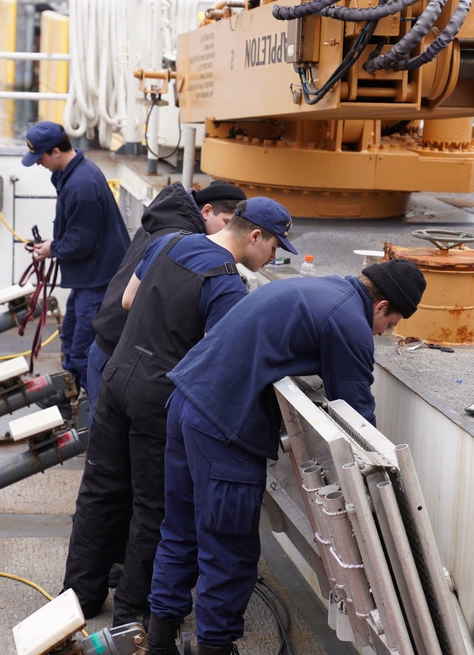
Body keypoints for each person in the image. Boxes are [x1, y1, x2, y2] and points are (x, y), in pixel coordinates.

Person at [146, 258, 427, 655]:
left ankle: (158, 638)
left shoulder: (321, 288)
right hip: (223, 429)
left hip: (185, 402)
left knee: (180, 527)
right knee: (229, 549)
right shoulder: (349, 321)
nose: (385, 333)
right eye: (391, 324)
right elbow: (357, 416)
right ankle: (214, 647)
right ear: (380, 307)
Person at [63, 197, 298, 628]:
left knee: (100, 490)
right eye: (275, 247)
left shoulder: (170, 242)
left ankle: (78, 598)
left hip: (117, 376)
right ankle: (134, 612)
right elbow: (220, 355)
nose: (275, 256)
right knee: (153, 507)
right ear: (255, 236)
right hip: (157, 393)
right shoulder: (226, 283)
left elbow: (131, 301)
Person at [85, 180, 247, 414]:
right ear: (207, 210)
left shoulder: (166, 222)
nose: (227, 234)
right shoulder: (181, 241)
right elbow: (134, 301)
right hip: (119, 353)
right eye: (225, 224)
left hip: (112, 345)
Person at [22, 121, 130, 396]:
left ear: (56, 152)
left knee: (84, 351)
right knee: (70, 337)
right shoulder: (75, 174)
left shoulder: (80, 185)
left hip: (97, 283)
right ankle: (68, 397)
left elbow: (81, 242)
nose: (38, 164)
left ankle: (90, 413)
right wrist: (55, 245)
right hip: (89, 280)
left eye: (40, 158)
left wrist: (52, 248)